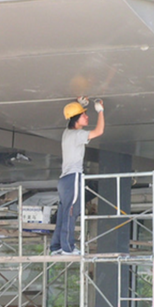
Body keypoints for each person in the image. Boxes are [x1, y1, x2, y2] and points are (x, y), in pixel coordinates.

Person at [50, 97, 105, 255]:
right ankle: (67, 247)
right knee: (71, 212)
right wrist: (100, 110)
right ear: (76, 118)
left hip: (65, 181)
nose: (87, 117)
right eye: (84, 115)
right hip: (73, 178)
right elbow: (99, 131)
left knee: (63, 213)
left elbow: (73, 115)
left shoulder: (67, 133)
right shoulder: (77, 135)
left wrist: (80, 105)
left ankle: (57, 247)